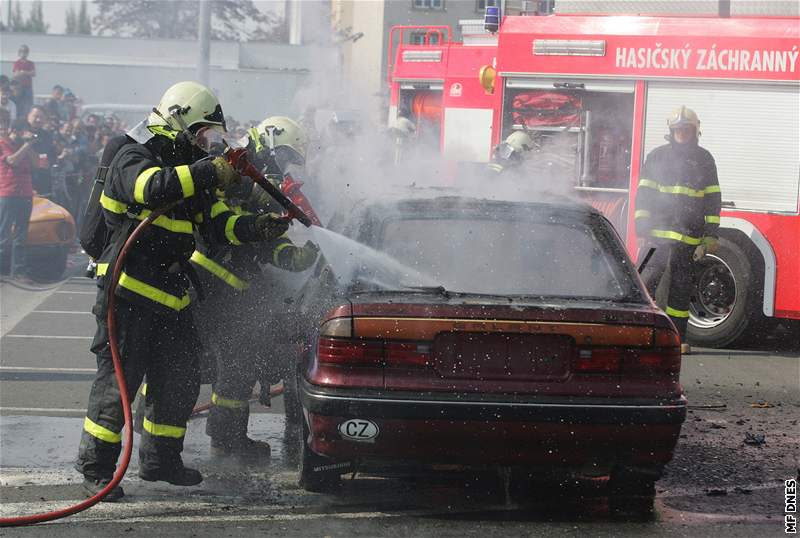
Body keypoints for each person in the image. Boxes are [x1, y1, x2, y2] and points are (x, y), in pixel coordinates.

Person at [75, 81, 290, 501]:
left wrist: (256, 228)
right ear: (178, 119)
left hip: (173, 297)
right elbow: (149, 188)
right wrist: (211, 171)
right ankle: (97, 466)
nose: (206, 143)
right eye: (203, 131)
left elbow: (219, 224)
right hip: (129, 295)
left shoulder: (190, 172)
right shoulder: (133, 155)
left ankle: (161, 460)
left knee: (178, 380)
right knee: (118, 385)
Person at [199, 117, 319, 458]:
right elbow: (229, 226)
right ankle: (223, 438)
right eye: (282, 156)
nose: (283, 167)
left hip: (226, 283)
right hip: (209, 279)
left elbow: (264, 241)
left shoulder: (258, 180)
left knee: (233, 362)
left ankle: (221, 437)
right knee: (231, 361)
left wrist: (295, 256)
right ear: (269, 139)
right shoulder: (229, 164)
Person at [634, 106, 721, 354]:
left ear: (694, 131)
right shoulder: (657, 156)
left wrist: (711, 234)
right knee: (644, 283)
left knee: (681, 290)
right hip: (656, 237)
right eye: (678, 130)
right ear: (671, 131)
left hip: (689, 237)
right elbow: (645, 193)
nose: (682, 133)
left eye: (686, 129)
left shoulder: (704, 159)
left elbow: (713, 198)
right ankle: (640, 332)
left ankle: (677, 339)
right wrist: (642, 225)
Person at [0, 113, 36, 281]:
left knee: (21, 235)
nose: (26, 135)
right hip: (8, 193)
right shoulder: (3, 143)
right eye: (24, 132)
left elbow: (37, 164)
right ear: (15, 130)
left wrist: (30, 146)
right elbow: (12, 161)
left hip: (25, 193)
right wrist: (26, 146)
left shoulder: (26, 147)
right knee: (3, 233)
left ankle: (18, 271)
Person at [12, 45, 35, 118]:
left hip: (28, 87)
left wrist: (23, 72)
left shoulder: (30, 63)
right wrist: (25, 73)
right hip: (19, 88)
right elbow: (15, 74)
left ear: (27, 53)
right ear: (19, 53)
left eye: (25, 51)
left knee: (28, 105)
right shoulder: (17, 63)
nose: (23, 53)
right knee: (18, 104)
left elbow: (33, 73)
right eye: (21, 51)